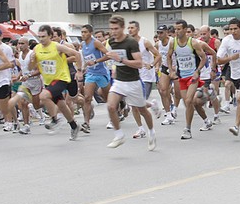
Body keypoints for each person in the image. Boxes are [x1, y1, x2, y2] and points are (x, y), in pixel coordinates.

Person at [102, 15, 156, 150]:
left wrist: (120, 60)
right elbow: (109, 55)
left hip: (133, 82)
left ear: (122, 28)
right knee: (111, 106)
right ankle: (119, 135)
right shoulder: (111, 42)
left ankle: (151, 132)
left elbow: (139, 63)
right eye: (111, 29)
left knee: (142, 109)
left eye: (116, 28)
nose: (113, 31)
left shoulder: (131, 42)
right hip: (119, 81)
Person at [30, 24, 82, 141]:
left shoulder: (57, 47)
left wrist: (79, 71)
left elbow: (77, 54)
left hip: (61, 78)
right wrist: (32, 60)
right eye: (39, 37)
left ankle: (55, 119)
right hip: (49, 80)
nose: (41, 39)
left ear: (50, 36)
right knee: (62, 106)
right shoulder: (37, 49)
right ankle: (74, 126)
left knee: (43, 96)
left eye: (43, 36)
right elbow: (31, 67)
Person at [166, 19, 212, 138]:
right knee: (192, 103)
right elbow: (169, 56)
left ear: (186, 30)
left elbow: (203, 58)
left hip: (193, 76)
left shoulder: (193, 43)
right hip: (182, 77)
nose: (176, 31)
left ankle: (187, 130)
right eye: (175, 29)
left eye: (179, 29)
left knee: (188, 101)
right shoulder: (173, 43)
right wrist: (171, 70)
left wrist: (197, 71)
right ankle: (206, 121)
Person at [78, 24, 111, 133]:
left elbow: (108, 55)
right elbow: (86, 59)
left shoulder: (96, 42)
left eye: (85, 32)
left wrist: (96, 61)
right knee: (87, 98)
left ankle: (115, 115)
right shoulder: (82, 44)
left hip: (102, 73)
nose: (83, 34)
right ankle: (86, 123)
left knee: (107, 97)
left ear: (90, 33)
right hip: (91, 73)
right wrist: (83, 68)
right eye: (82, 32)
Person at [14, 37, 42, 135]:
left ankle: (47, 106)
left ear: (27, 44)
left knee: (36, 104)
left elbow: (39, 70)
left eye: (22, 43)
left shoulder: (32, 55)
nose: (20, 45)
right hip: (25, 83)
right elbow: (23, 69)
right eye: (19, 43)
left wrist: (29, 75)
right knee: (23, 102)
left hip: (35, 81)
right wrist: (17, 77)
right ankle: (26, 125)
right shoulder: (20, 55)